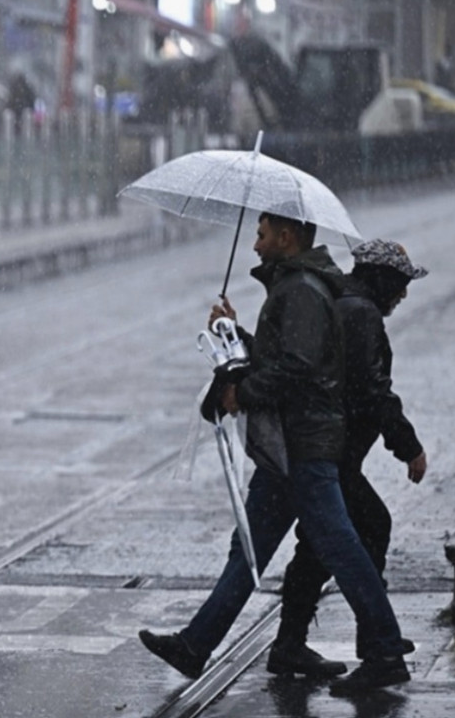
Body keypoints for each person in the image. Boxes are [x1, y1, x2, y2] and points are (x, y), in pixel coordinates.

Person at [138, 212, 410, 697]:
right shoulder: (292, 285)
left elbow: (298, 369)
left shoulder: (302, 288)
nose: (256, 246)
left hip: (303, 445)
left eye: (262, 235)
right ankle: (195, 644)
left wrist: (244, 394)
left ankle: (386, 651)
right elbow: (280, 356)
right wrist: (234, 334)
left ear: (287, 236)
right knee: (248, 549)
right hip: (285, 448)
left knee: (341, 547)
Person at [267, 239, 429, 677]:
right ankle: (378, 647)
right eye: (399, 283)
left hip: (326, 450)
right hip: (331, 453)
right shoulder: (360, 313)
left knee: (321, 545)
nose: (403, 294)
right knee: (367, 528)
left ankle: (295, 643)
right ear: (380, 279)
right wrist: (407, 445)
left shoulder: (345, 302)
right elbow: (369, 389)